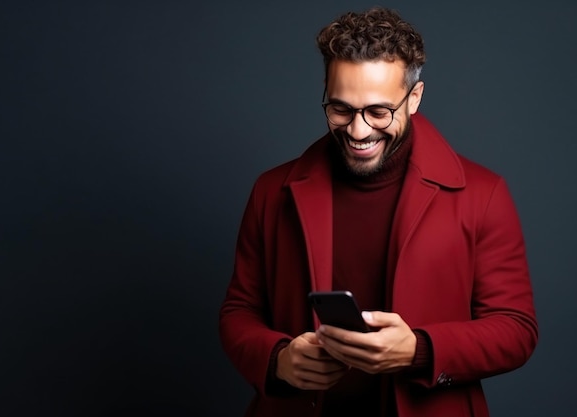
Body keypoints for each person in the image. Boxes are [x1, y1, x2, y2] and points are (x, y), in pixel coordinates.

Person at [219, 6, 537, 417]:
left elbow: (516, 329)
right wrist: (278, 359)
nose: (358, 130)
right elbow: (239, 311)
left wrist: (419, 351)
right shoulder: (270, 191)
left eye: (378, 111)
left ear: (415, 98)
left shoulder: (484, 193)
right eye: (341, 109)